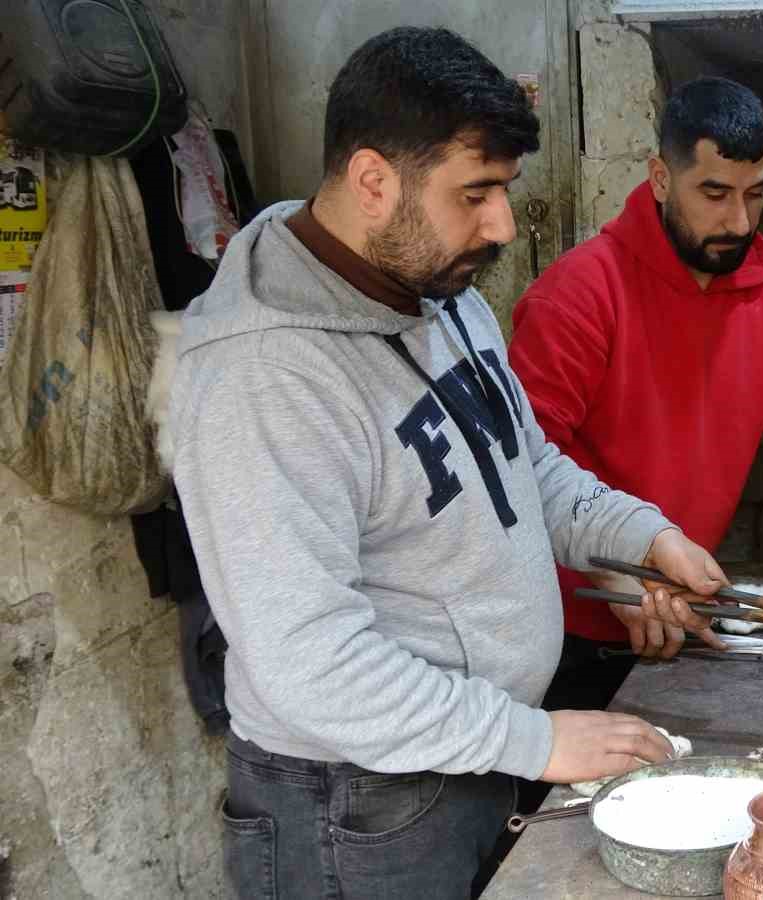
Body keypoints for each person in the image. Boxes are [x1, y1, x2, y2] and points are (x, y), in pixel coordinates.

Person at [168, 28, 720, 899]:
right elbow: (314, 663)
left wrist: (644, 536)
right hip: (353, 810)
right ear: (373, 181)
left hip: (465, 755)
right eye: (477, 194)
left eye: (504, 191)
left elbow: (520, 463)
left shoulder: (437, 293)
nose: (501, 224)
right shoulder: (260, 378)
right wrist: (538, 743)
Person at [508, 76, 763, 711]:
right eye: (714, 194)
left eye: (755, 194)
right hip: (570, 626)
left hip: (684, 612)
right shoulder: (578, 294)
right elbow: (519, 470)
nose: (739, 221)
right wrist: (614, 577)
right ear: (661, 178)